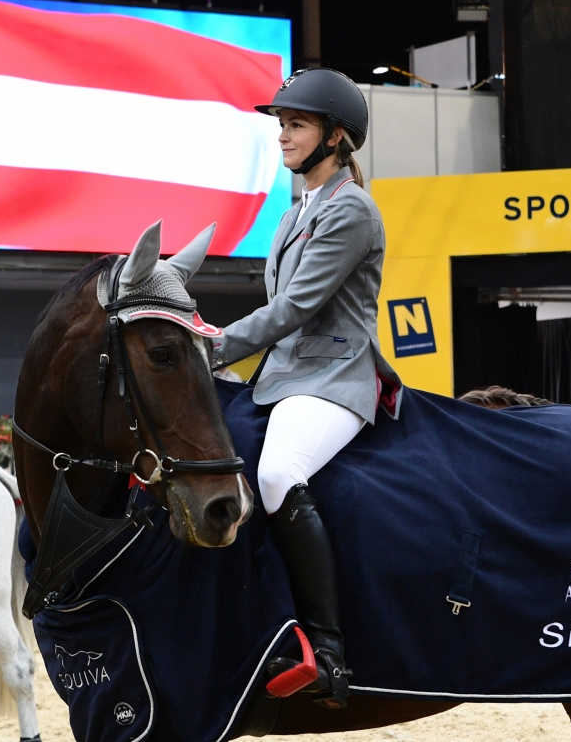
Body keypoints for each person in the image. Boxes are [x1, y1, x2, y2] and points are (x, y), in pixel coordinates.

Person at [210, 67, 402, 709]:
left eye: (296, 125)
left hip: (336, 376)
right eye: (282, 125)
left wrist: (215, 344)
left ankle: (330, 652)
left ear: (336, 136)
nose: (283, 136)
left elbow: (293, 307)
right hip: (286, 375)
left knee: (276, 474)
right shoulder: (298, 210)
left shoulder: (351, 210)